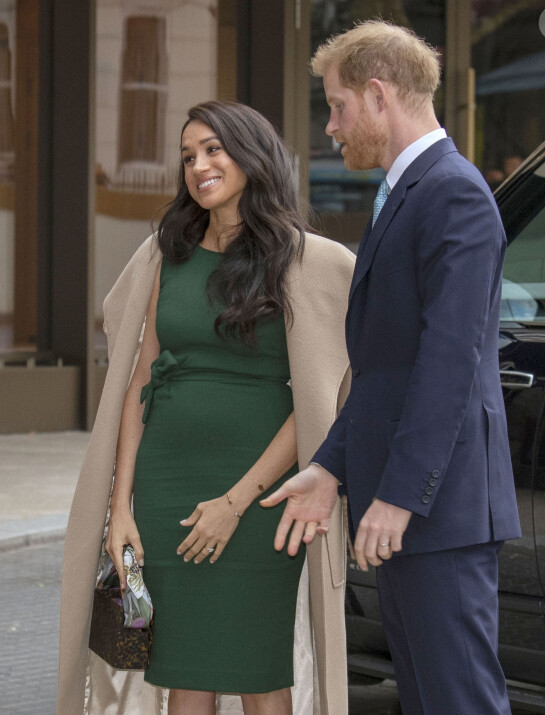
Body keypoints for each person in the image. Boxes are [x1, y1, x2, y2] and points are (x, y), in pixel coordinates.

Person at [57, 100, 355, 715]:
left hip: (261, 499)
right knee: (180, 670)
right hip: (165, 491)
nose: (199, 165)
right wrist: (121, 512)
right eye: (188, 156)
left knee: (258, 672)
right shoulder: (166, 254)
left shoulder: (308, 261)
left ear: (252, 154)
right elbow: (139, 385)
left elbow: (319, 403)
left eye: (214, 149)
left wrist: (235, 501)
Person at [262, 21, 521, 715]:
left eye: (338, 106)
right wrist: (330, 464)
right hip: (409, 515)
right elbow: (385, 370)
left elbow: (448, 364)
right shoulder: (409, 194)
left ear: (378, 95)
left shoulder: (453, 193)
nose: (332, 125)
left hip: (439, 517)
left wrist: (401, 496)